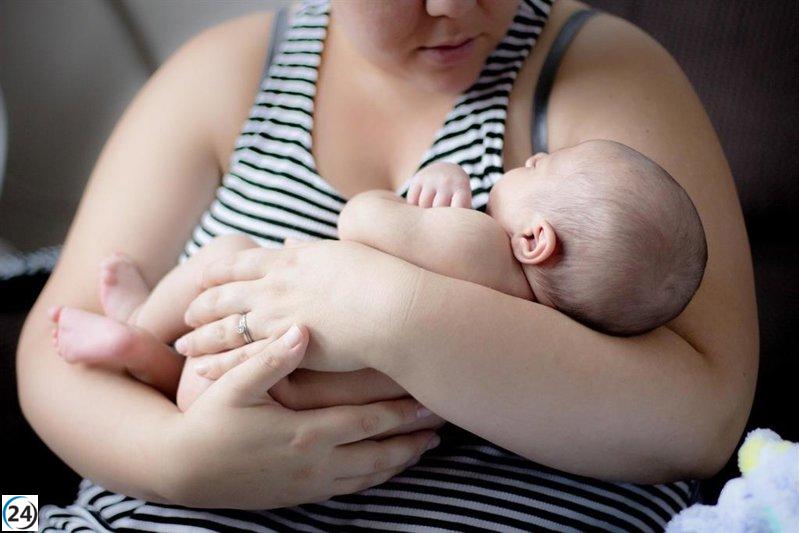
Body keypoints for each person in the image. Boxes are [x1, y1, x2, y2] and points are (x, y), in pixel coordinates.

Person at [19, 0, 757, 530]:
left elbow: (702, 419)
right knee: (12, 514)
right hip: (150, 511)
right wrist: (179, 462)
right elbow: (53, 356)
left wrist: (381, 308)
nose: (455, 7)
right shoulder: (220, 74)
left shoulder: (604, 75)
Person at [46, 138, 708, 415]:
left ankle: (139, 325)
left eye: (541, 169)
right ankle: (140, 354)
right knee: (200, 382)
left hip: (270, 323)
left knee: (225, 253)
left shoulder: (481, 242)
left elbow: (362, 222)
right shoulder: (543, 338)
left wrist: (428, 188)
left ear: (535, 240)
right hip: (305, 393)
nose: (529, 158)